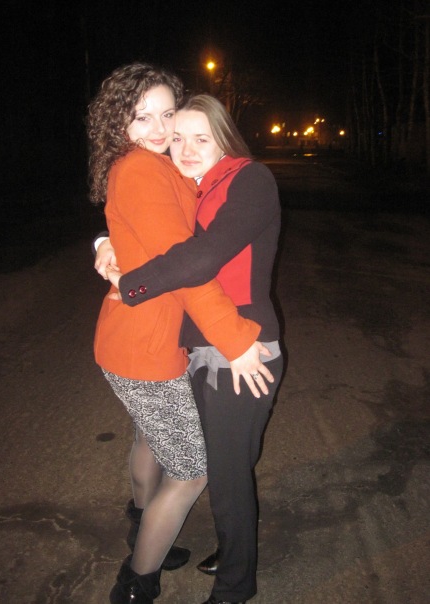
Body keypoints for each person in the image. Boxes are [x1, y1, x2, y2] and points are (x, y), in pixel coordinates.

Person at [87, 64, 274, 604]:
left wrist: (104, 243)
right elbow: (183, 262)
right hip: (149, 342)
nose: (160, 130)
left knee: (152, 437)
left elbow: (149, 235)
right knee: (191, 469)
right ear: (117, 122)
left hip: (141, 337)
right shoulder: (146, 169)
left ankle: (145, 527)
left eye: (167, 114)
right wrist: (235, 339)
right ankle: (137, 580)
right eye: (141, 117)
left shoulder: (165, 168)